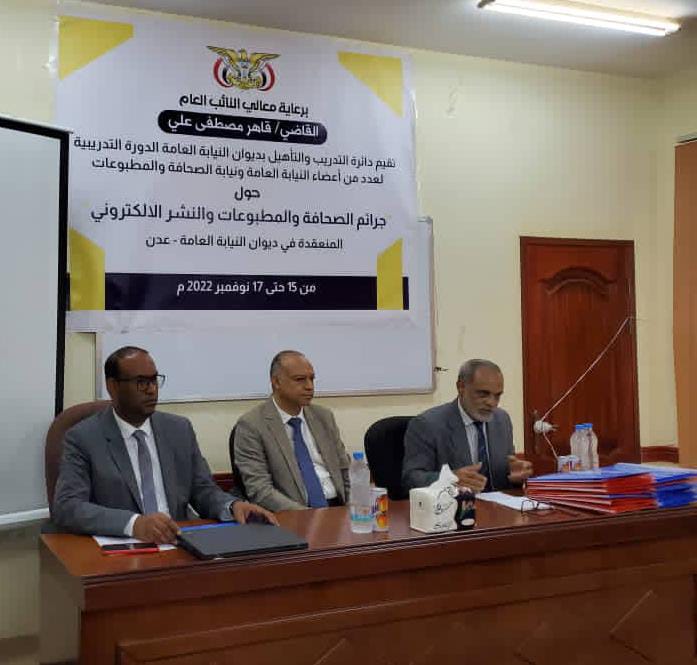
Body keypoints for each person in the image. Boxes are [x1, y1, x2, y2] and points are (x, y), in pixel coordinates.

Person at [51, 346, 276, 544]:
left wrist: (233, 506)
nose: (152, 389)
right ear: (113, 386)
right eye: (141, 382)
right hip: (123, 547)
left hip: (179, 541)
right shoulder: (83, 437)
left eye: (154, 380)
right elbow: (68, 506)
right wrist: (134, 524)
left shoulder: (178, 429)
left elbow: (203, 490)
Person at [233, 350, 350, 512]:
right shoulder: (252, 425)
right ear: (276, 382)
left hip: (339, 509)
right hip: (294, 513)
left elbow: (345, 470)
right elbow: (260, 490)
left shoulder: (323, 417)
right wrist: (308, 516)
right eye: (300, 379)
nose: (309, 386)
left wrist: (355, 508)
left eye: (312, 379)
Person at [402, 358, 533, 493]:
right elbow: (411, 479)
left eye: (497, 396)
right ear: (461, 387)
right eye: (483, 394)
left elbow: (506, 473)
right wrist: (450, 479)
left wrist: (516, 475)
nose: (492, 403)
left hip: (497, 503)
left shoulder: (501, 420)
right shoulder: (428, 424)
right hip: (455, 504)